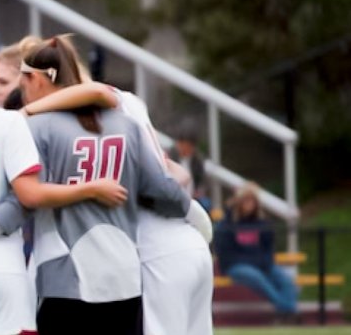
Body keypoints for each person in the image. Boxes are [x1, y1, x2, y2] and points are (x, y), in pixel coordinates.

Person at [15, 37, 215, 335]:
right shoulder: (126, 116)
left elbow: (21, 199)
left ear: (38, 79)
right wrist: (195, 213)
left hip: (83, 267)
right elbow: (167, 180)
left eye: (21, 81)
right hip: (139, 263)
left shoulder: (38, 125)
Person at [216, 183, 295, 322]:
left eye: (252, 200)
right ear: (239, 202)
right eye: (246, 200)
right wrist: (255, 262)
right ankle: (286, 310)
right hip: (236, 267)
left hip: (261, 265)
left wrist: (262, 263)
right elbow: (226, 254)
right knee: (256, 277)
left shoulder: (263, 223)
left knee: (286, 280)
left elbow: (268, 250)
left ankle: (287, 313)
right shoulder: (226, 225)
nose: (249, 204)